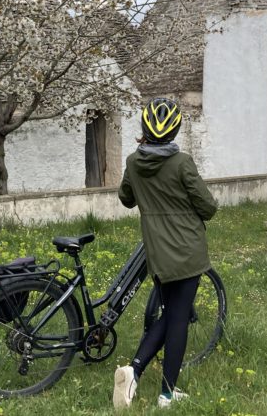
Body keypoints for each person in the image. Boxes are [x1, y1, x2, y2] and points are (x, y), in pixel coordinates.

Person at [112, 97, 218, 410]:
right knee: (178, 318)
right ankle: (167, 394)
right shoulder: (182, 163)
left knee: (172, 314)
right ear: (174, 131)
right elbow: (208, 207)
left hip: (156, 254)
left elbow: (126, 198)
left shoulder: (133, 162)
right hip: (187, 253)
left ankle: (134, 371)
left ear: (145, 127)